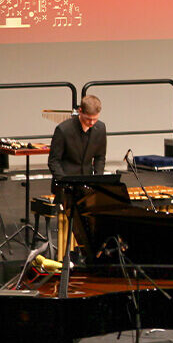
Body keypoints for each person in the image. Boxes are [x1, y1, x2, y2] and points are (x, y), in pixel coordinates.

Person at [48, 95, 107, 257]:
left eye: (95, 119)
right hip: (65, 186)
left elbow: (100, 157)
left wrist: (98, 180)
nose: (92, 123)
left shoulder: (100, 129)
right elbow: (53, 161)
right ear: (80, 111)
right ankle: (65, 259)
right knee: (69, 229)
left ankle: (85, 257)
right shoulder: (63, 130)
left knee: (89, 228)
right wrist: (64, 181)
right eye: (88, 119)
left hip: (87, 186)